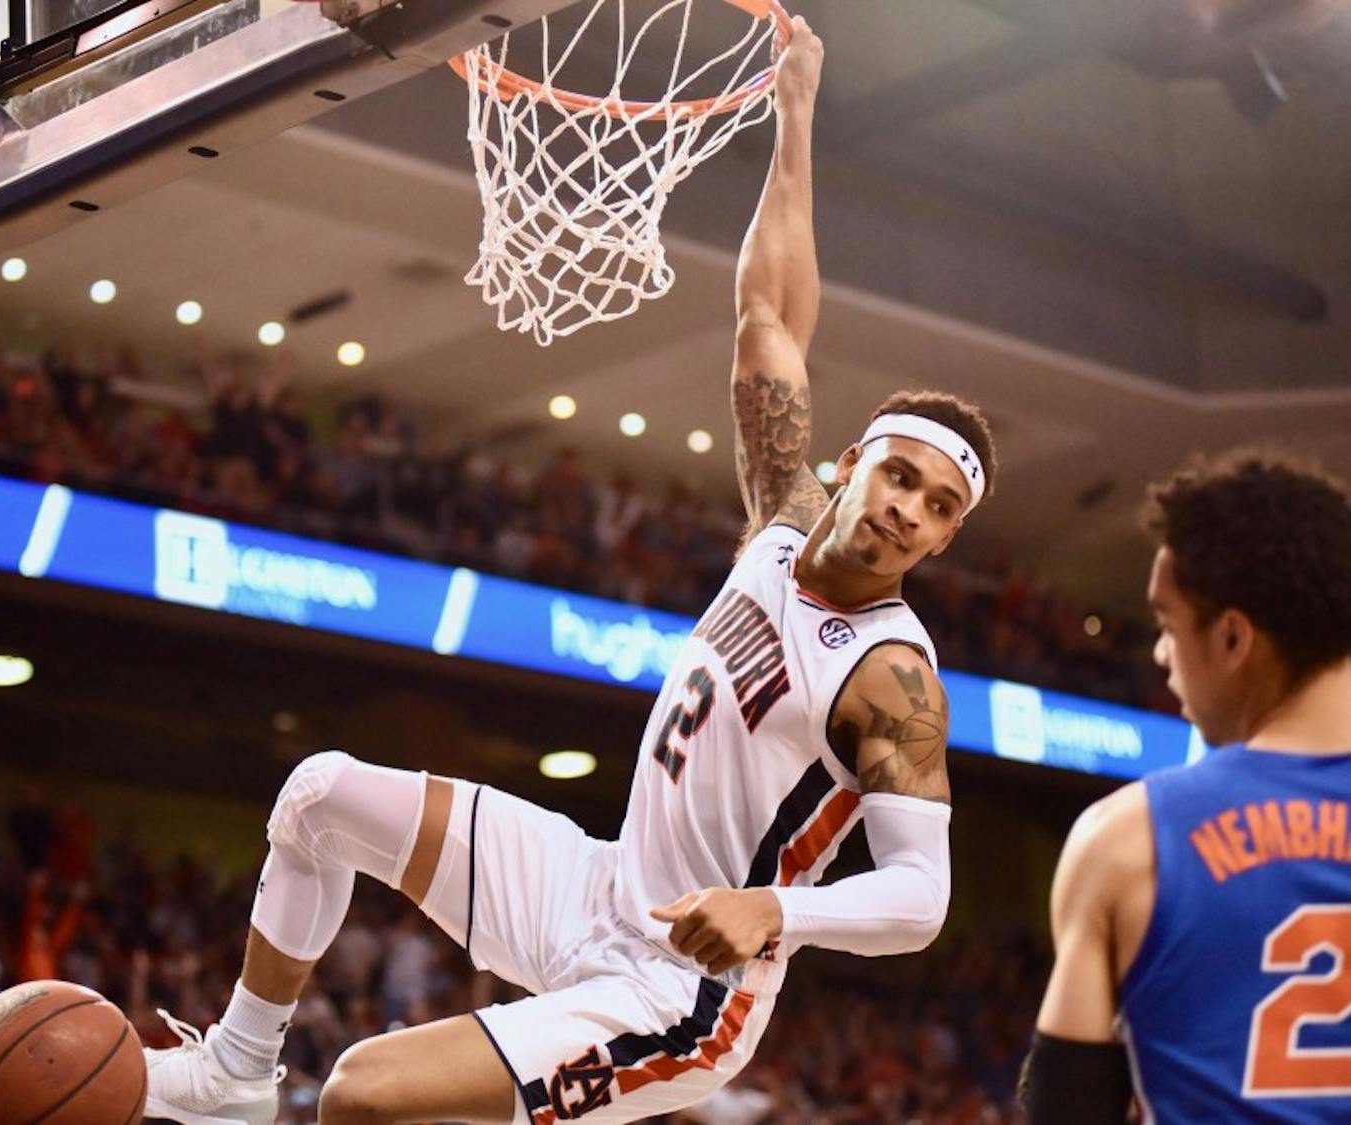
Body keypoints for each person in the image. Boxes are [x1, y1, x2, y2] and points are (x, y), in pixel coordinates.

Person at [144, 18, 998, 1125]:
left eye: (939, 510)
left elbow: (922, 898)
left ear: (940, 544)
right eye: (900, 476)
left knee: (363, 1095)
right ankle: (231, 1075)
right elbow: (769, 316)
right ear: (850, 467)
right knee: (319, 798)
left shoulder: (890, 676)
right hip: (591, 886)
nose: (907, 509)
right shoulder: (784, 526)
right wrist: (794, 117)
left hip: (686, 991)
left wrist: (779, 912)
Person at [1023, 450, 1351, 1123]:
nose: (1160, 654)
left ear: (1232, 637)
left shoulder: (1127, 837)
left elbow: (1064, 1107)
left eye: (1169, 625)